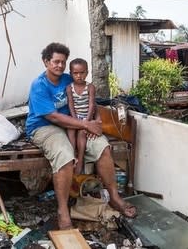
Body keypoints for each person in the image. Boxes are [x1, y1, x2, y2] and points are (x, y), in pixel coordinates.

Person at [26, 42, 137, 230]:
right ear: (46, 62)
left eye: (63, 62)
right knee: (64, 155)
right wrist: (85, 124)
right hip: (45, 127)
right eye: (56, 61)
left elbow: (88, 99)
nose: (60, 66)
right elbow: (52, 116)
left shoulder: (69, 79)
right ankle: (62, 210)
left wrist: (94, 121)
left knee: (102, 147)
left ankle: (115, 197)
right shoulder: (39, 85)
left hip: (74, 124)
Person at [66, 58, 99, 175]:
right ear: (71, 74)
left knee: (81, 133)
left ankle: (80, 158)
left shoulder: (90, 87)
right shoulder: (69, 88)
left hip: (87, 117)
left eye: (82, 73)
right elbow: (70, 104)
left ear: (87, 73)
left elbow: (91, 105)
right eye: (75, 73)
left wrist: (87, 121)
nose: (79, 76)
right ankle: (72, 156)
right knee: (70, 129)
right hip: (75, 117)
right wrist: (75, 120)